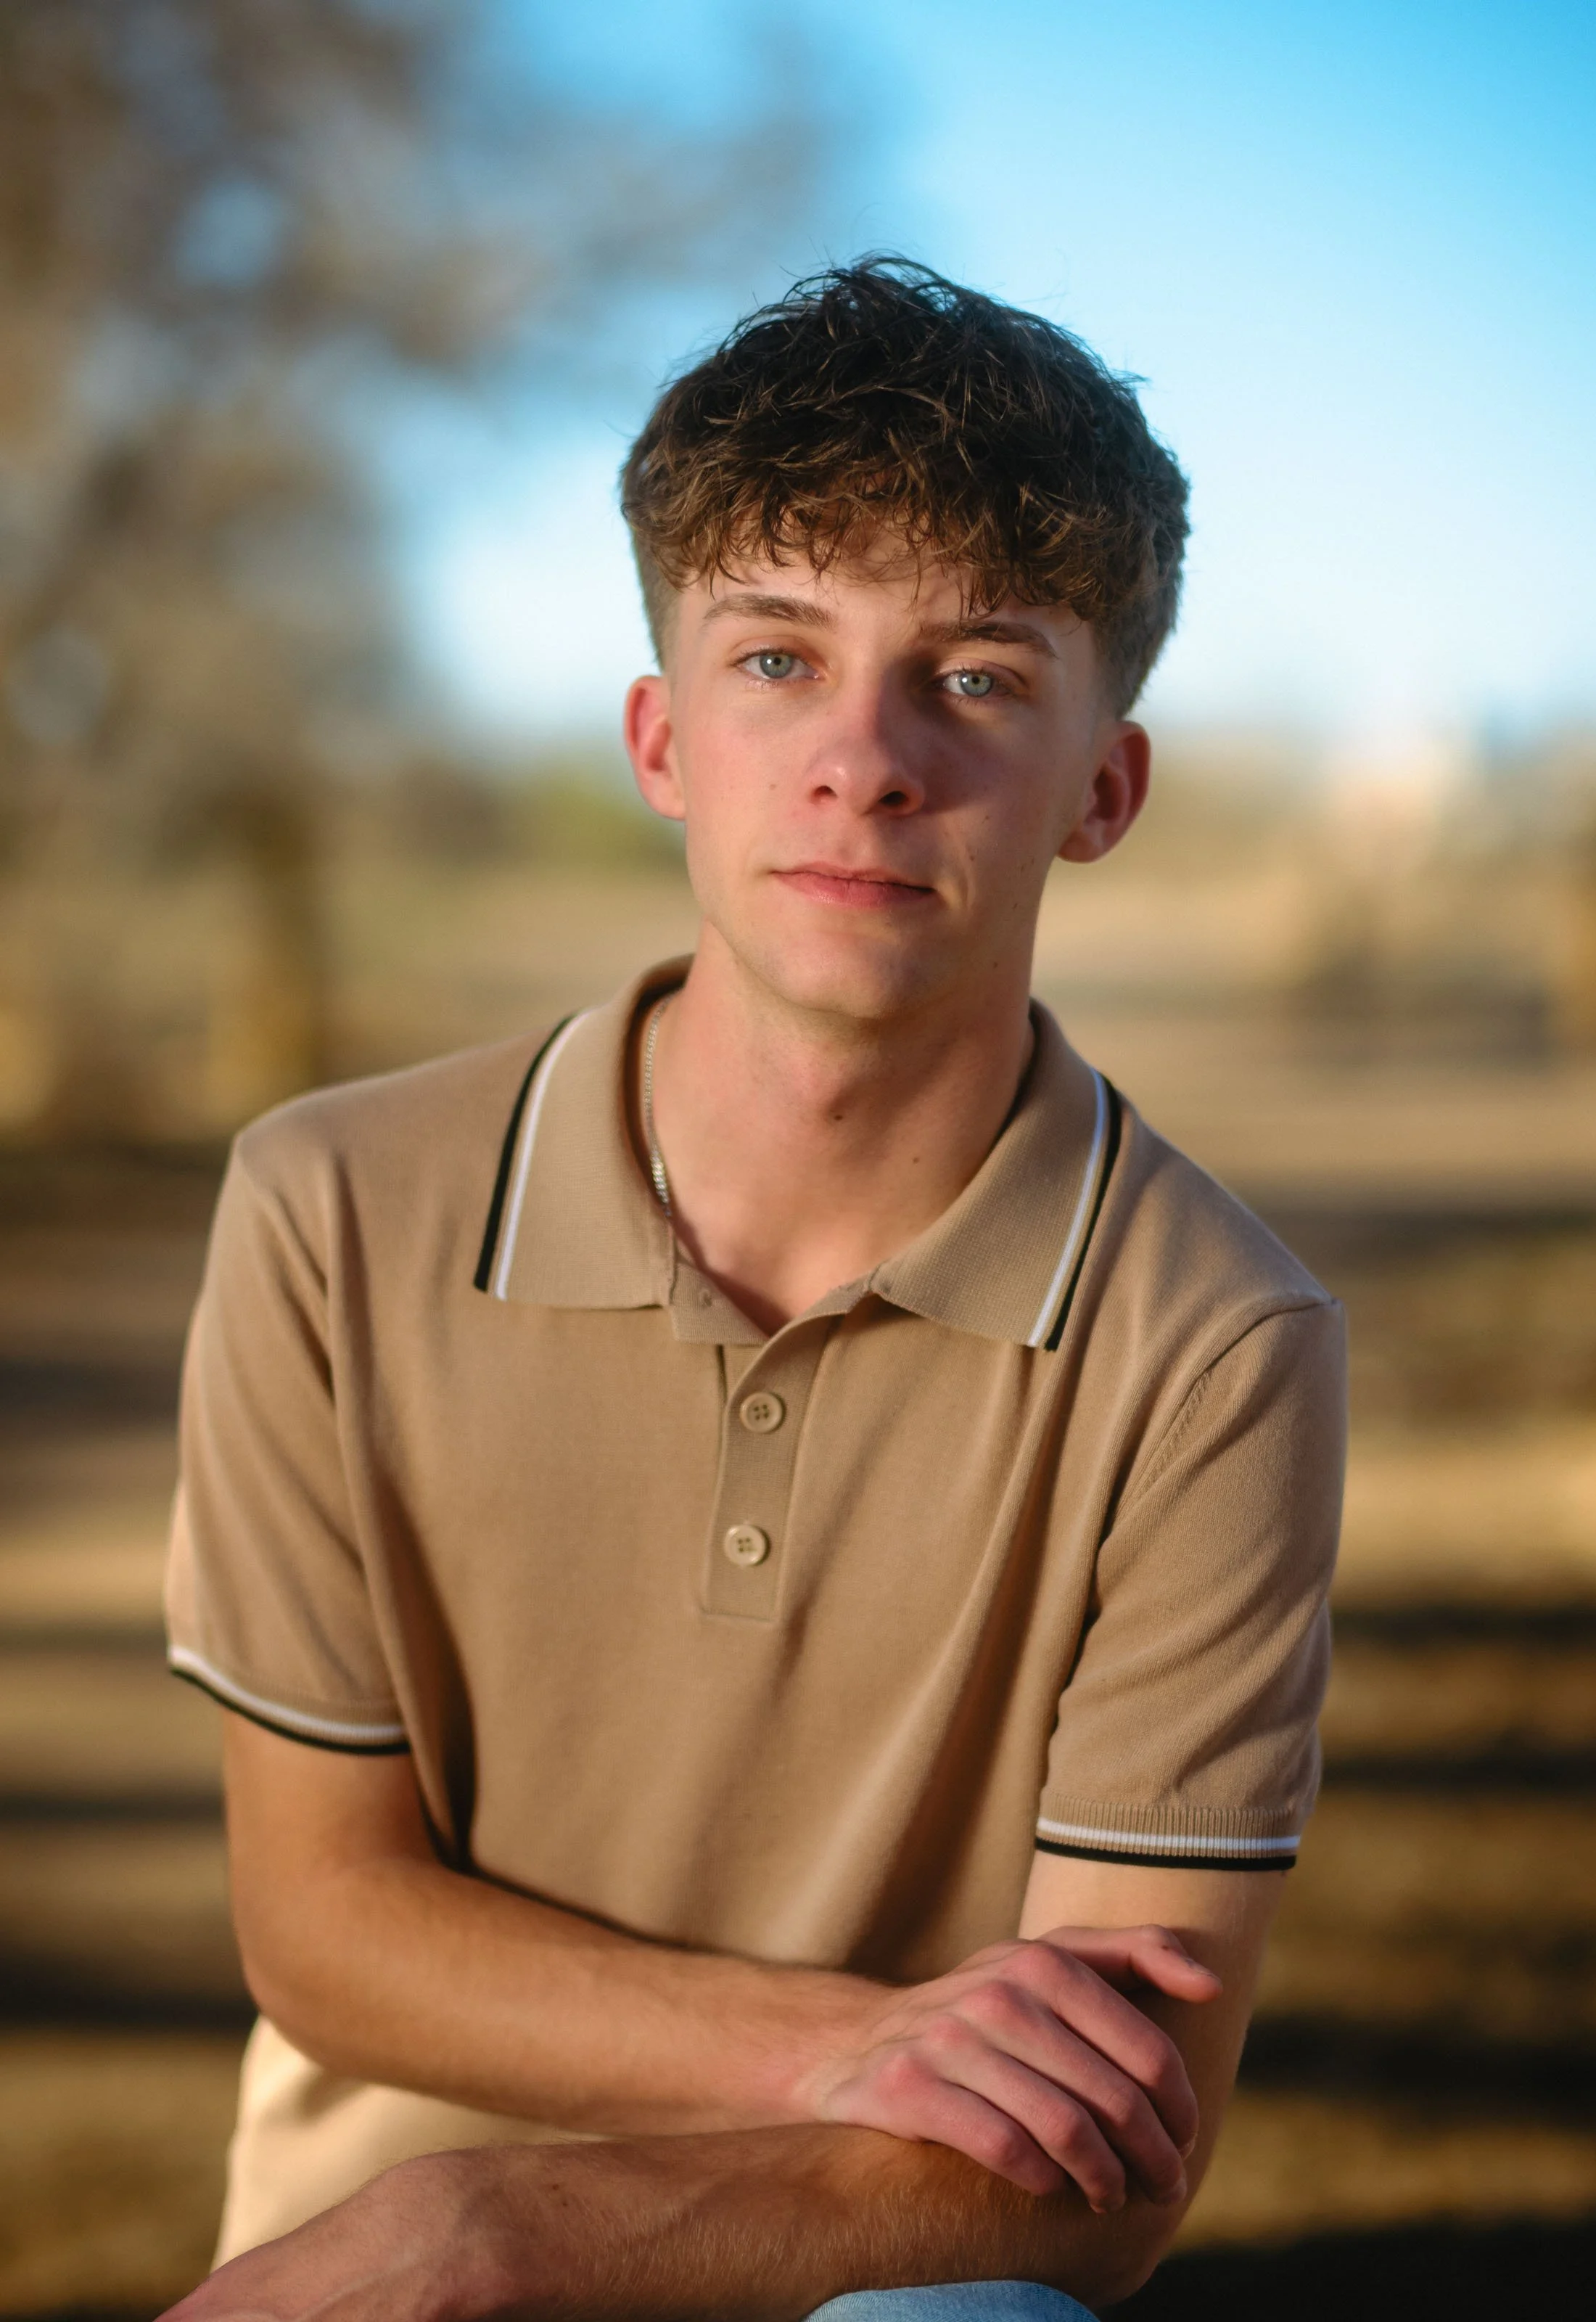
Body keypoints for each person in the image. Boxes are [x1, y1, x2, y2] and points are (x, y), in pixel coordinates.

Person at [161, 258, 1345, 2321]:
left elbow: (1102, 2162)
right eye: (776, 659)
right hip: (346, 2276)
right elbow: (320, 1923)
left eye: (973, 677)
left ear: (1102, 788)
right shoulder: (328, 1207)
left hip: (866, 2266)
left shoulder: (1217, 1343)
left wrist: (503, 2233)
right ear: (659, 739)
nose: (864, 760)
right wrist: (813, 2047)